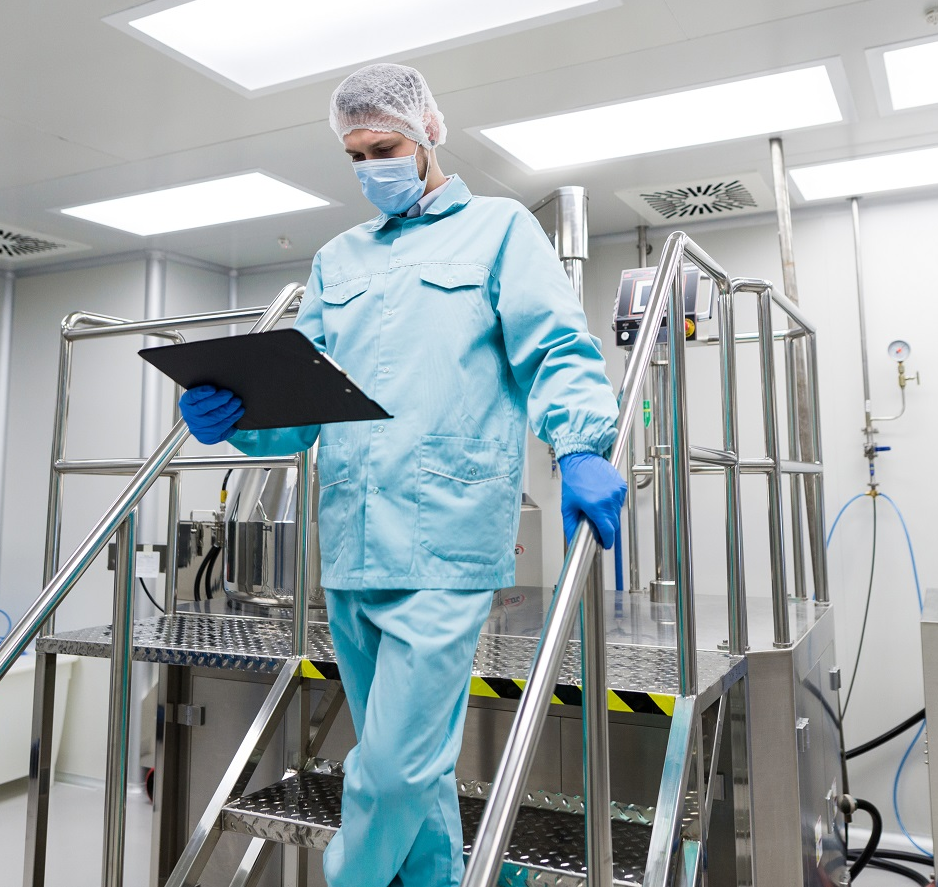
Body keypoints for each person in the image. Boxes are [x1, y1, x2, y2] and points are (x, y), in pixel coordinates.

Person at [177, 63, 626, 887]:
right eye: (355, 154)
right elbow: (305, 403)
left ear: (429, 134)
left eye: (383, 148)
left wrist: (580, 443)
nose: (370, 167)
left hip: (446, 543)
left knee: (386, 772)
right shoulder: (337, 260)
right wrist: (238, 417)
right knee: (417, 775)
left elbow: (556, 344)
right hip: (351, 546)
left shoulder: (498, 231)